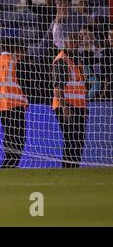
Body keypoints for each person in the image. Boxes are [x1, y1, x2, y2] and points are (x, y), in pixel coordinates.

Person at [0, 39, 28, 168]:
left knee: (8, 135)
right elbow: (20, 82)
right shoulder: (14, 62)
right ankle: (10, 165)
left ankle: (8, 164)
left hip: (1, 106)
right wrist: (25, 100)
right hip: (15, 104)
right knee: (19, 138)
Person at [52, 32, 88, 168]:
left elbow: (82, 87)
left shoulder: (77, 61)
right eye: (72, 40)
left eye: (76, 41)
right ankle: (67, 169)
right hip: (66, 105)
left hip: (79, 107)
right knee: (71, 140)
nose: (75, 43)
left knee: (78, 141)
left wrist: (85, 107)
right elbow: (57, 86)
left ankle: (73, 169)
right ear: (65, 42)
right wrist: (64, 108)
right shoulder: (61, 60)